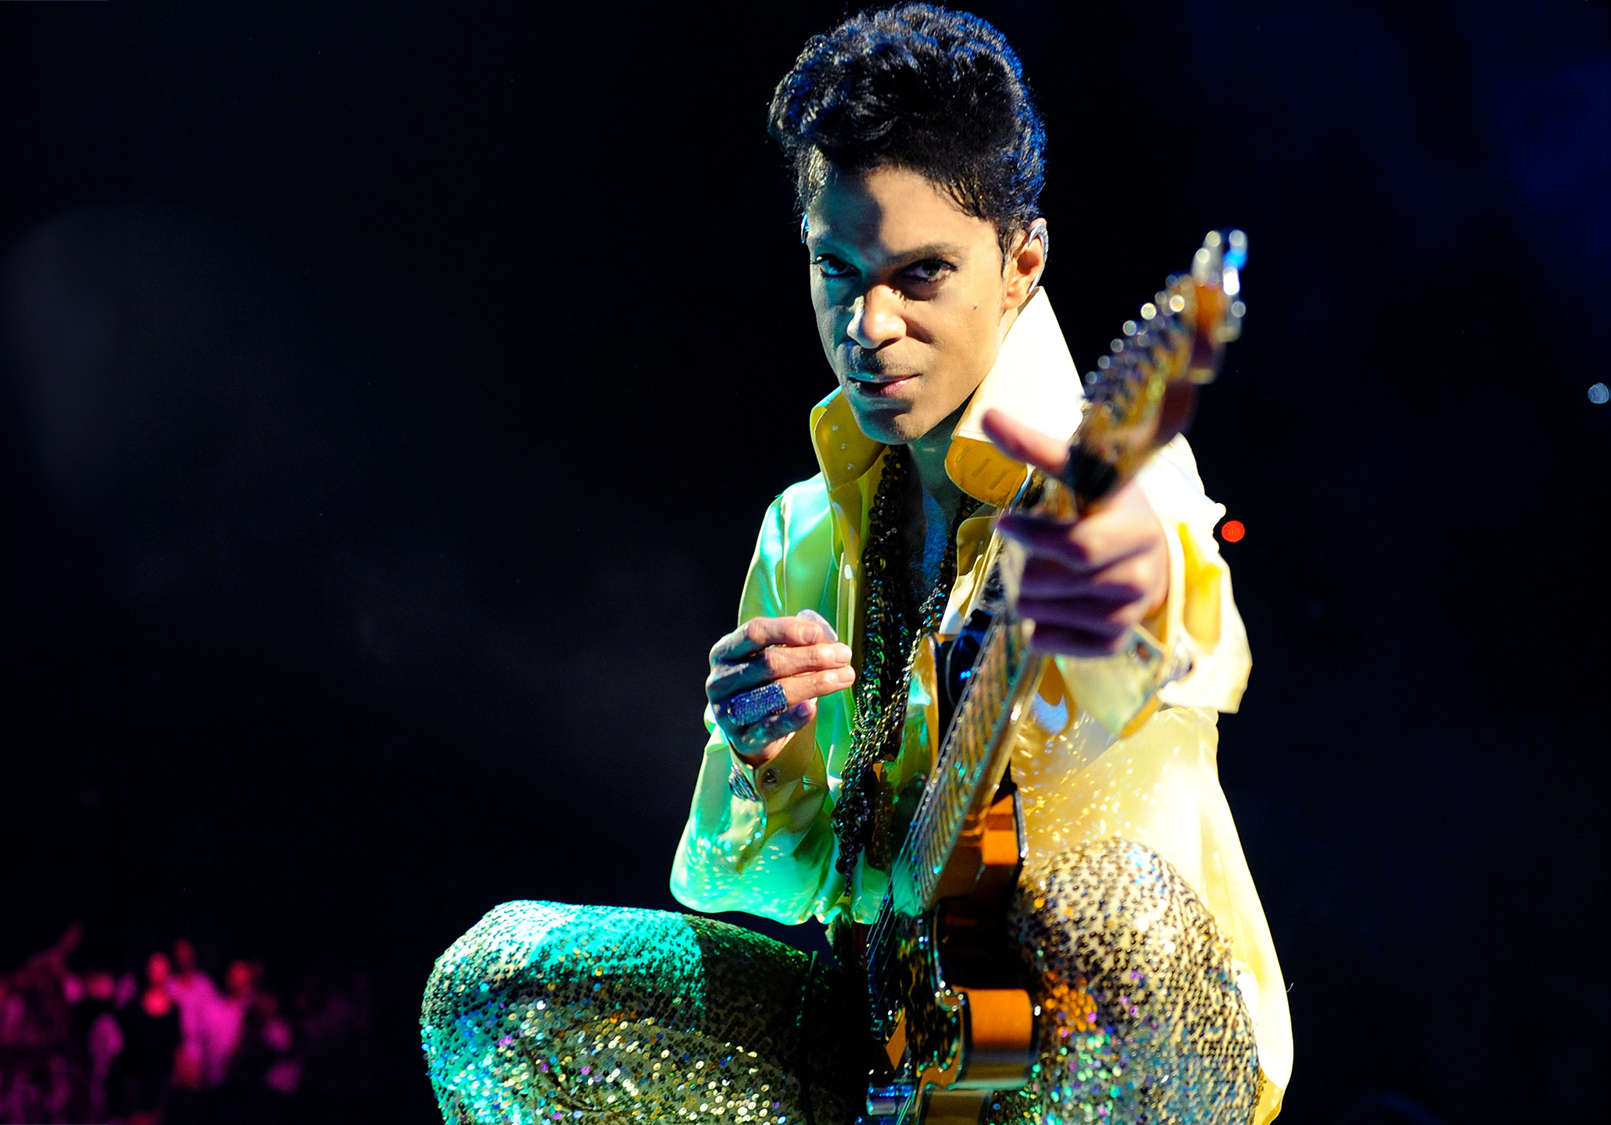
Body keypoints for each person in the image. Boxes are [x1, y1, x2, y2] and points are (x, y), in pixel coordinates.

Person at [421, 6, 1290, 1123]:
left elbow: (1181, 629)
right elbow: (759, 887)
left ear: (1021, 263)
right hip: (893, 1046)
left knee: (1112, 921)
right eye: (837, 270)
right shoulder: (801, 528)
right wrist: (766, 753)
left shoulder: (1113, 477)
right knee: (501, 985)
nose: (869, 324)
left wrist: (1128, 584)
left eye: (920, 274)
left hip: (1113, 1047)